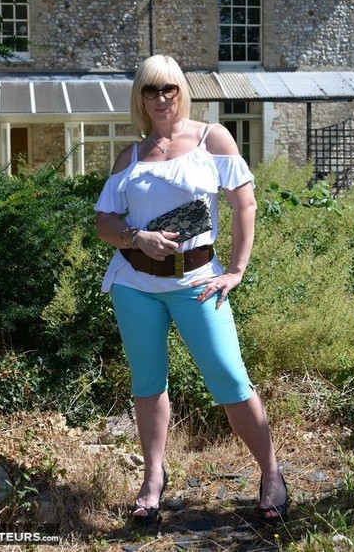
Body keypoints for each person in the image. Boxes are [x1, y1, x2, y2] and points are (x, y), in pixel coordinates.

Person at [94, 54, 287, 525]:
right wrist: (135, 237)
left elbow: (245, 204)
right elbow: (103, 221)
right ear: (139, 97)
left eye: (169, 89)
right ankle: (152, 482)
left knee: (230, 380)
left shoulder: (211, 137)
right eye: (150, 90)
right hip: (134, 284)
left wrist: (236, 270)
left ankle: (272, 474)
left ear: (182, 90)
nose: (161, 98)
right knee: (147, 385)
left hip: (199, 282)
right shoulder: (132, 155)